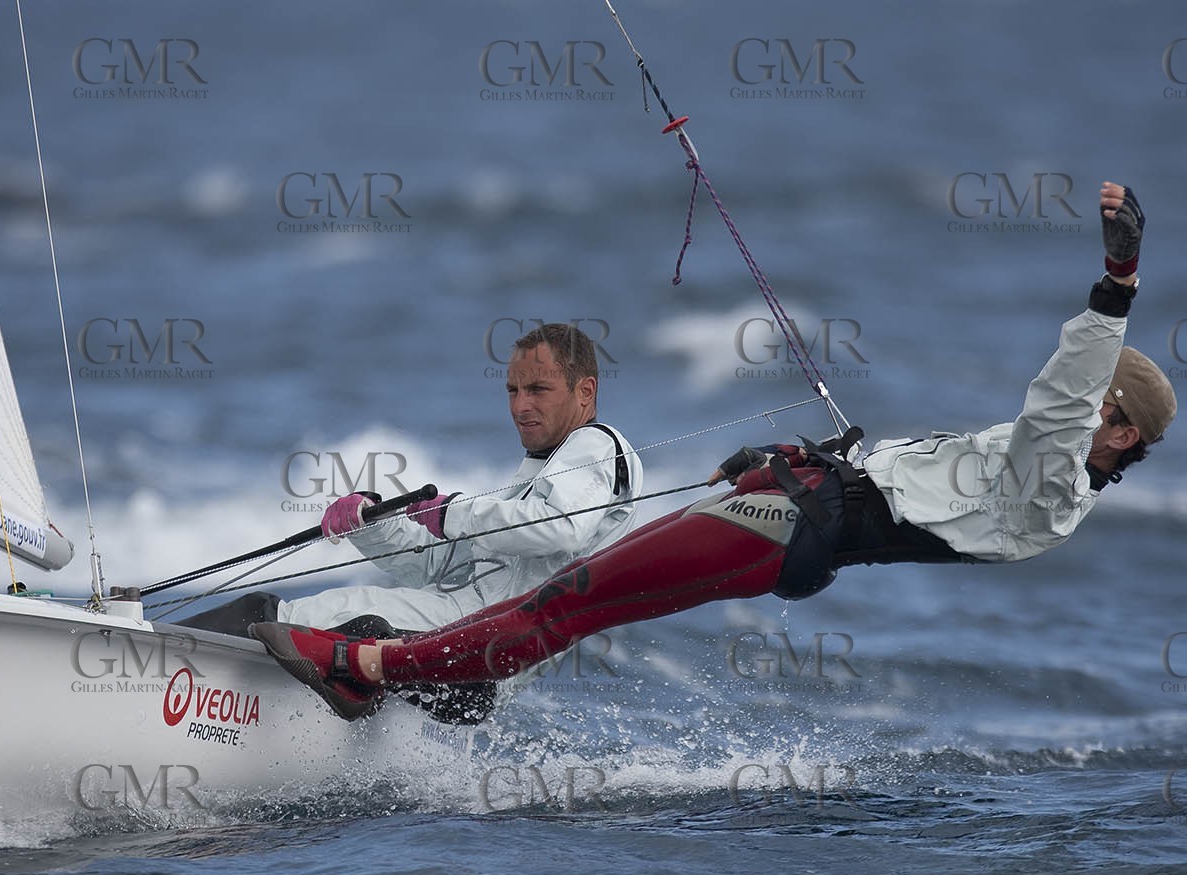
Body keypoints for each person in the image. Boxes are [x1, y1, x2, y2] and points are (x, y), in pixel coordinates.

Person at [252, 181, 1176, 721]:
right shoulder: (1032, 467)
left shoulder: (1053, 485)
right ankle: (436, 682)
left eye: (1094, 400)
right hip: (787, 512)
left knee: (564, 601)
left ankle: (368, 668)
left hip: (788, 527)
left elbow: (1056, 402)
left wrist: (1116, 285)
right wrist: (792, 454)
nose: (1067, 402)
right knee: (570, 607)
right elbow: (912, 480)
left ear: (1119, 431)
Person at [181, 323, 644, 643]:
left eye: (537, 390)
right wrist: (372, 526)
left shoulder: (596, 444)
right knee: (316, 611)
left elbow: (561, 527)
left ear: (585, 391)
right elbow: (435, 569)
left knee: (281, 614)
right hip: (460, 626)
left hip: (480, 635)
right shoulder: (536, 475)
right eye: (512, 390)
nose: (520, 406)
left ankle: (161, 658)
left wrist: (451, 512)